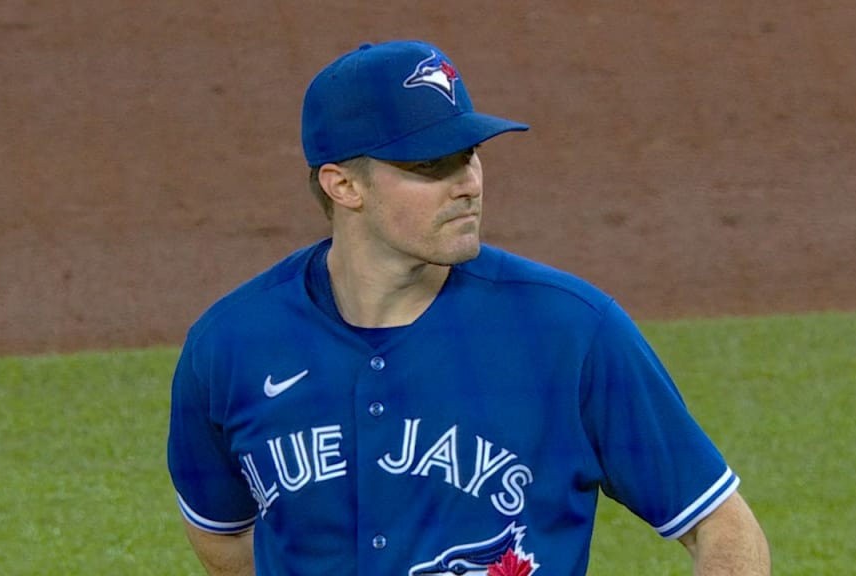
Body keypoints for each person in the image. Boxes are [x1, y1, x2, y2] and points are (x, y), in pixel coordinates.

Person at [167, 39, 770, 576]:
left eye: (469, 153)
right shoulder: (229, 346)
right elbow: (221, 534)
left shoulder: (569, 331)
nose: (468, 183)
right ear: (342, 185)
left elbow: (720, 524)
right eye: (430, 165)